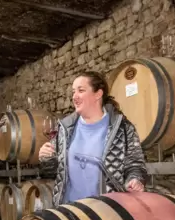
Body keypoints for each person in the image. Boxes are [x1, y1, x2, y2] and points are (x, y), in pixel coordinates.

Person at [39, 71, 147, 206]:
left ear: (98, 94)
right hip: (69, 212)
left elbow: (135, 165)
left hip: (106, 211)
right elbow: (51, 172)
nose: (74, 96)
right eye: (73, 92)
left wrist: (135, 180)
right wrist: (46, 158)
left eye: (81, 90)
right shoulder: (66, 128)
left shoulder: (122, 128)